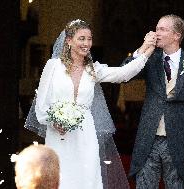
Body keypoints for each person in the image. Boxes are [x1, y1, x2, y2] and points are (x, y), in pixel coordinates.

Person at [31, 19, 155, 189]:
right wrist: (53, 122)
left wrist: (146, 51)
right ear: (69, 41)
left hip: (85, 133)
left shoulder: (93, 69)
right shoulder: (53, 66)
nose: (87, 43)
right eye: (81, 38)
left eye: (89, 39)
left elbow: (123, 74)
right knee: (60, 178)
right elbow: (41, 103)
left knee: (87, 177)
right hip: (58, 134)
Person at [123, 14, 184, 188]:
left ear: (176, 35)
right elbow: (125, 74)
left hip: (179, 142)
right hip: (148, 140)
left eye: (162, 29)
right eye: (156, 29)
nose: (156, 33)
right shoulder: (149, 59)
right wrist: (143, 48)